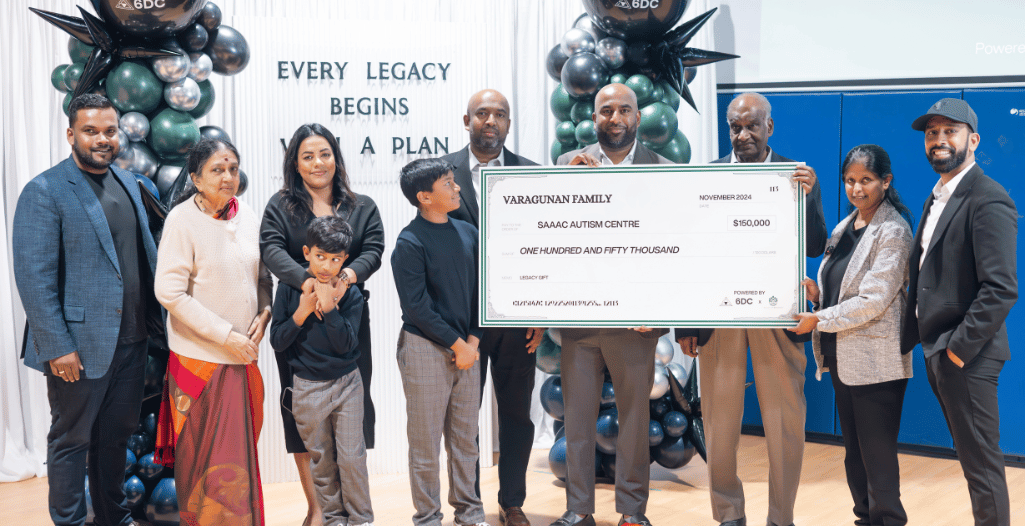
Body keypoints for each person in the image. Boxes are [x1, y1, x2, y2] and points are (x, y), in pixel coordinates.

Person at [675, 92, 827, 526]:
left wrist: (811, 197)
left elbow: (815, 244)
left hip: (776, 317)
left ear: (769, 128)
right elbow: (690, 253)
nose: (742, 134)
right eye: (734, 126)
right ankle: (728, 515)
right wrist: (684, 324)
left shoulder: (795, 177)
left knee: (784, 423)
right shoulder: (707, 178)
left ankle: (782, 517)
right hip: (719, 318)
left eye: (751, 126)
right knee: (720, 426)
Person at [13, 93, 157, 526]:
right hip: (77, 347)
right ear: (72, 133)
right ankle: (71, 522)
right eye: (91, 131)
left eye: (109, 131)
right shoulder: (45, 190)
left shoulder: (131, 183)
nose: (102, 139)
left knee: (114, 439)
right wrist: (57, 346)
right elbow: (33, 278)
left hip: (132, 343)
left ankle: (113, 517)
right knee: (71, 440)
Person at [551, 83, 672, 526]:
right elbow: (549, 234)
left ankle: (632, 512)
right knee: (577, 422)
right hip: (580, 317)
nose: (615, 118)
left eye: (624, 110)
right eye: (606, 111)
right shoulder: (567, 165)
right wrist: (563, 191)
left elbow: (674, 245)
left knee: (635, 422)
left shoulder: (662, 169)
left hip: (635, 322)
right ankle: (578, 509)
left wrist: (660, 310)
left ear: (637, 118)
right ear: (594, 118)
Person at [261, 123, 384, 526]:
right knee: (304, 420)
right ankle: (318, 508)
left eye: (325, 153)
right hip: (296, 321)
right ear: (295, 163)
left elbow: (374, 250)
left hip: (345, 319)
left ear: (337, 157)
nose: (318, 163)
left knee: (351, 419)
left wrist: (343, 281)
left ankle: (356, 513)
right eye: (308, 156)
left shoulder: (361, 205)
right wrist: (309, 284)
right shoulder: (281, 205)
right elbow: (271, 248)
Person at [901, 98, 1017, 526]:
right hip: (942, 351)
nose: (939, 140)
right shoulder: (939, 197)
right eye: (932, 133)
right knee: (973, 463)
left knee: (983, 468)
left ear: (974, 139)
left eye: (950, 131)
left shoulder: (987, 199)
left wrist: (956, 352)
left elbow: (1001, 289)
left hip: (967, 357)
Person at [788, 144, 914, 526]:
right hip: (842, 356)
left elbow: (872, 301)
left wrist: (819, 318)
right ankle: (864, 517)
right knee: (854, 453)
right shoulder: (847, 226)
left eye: (866, 180)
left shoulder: (893, 230)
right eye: (850, 181)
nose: (857, 189)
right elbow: (841, 285)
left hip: (877, 362)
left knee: (877, 453)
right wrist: (817, 294)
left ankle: (888, 519)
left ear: (886, 182)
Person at [153, 138, 273, 526]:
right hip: (200, 363)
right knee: (206, 462)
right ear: (196, 178)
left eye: (233, 169)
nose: (227, 177)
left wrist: (265, 309)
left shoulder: (248, 215)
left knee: (238, 461)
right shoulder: (182, 220)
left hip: (242, 358)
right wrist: (225, 335)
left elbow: (261, 274)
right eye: (217, 170)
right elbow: (168, 292)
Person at [440, 89, 543, 526]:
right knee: (464, 419)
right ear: (466, 121)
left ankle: (513, 501)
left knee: (517, 414)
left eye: (500, 114)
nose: (491, 121)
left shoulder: (532, 175)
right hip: (463, 323)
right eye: (482, 113)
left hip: (517, 322)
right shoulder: (443, 174)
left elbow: (544, 249)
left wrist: (539, 314)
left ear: (508, 124)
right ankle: (469, 504)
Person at [391, 158, 490, 526]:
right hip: (425, 348)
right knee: (426, 443)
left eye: (453, 181)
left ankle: (470, 513)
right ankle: (428, 517)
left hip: (469, 347)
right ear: (424, 197)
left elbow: (484, 291)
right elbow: (416, 307)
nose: (457, 188)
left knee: (466, 440)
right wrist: (457, 344)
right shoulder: (409, 241)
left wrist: (474, 341)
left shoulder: (469, 233)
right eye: (448, 184)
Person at [270, 216, 374, 526]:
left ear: (345, 260)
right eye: (320, 257)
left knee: (352, 457)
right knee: (322, 461)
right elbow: (277, 340)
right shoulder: (289, 290)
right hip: (306, 389)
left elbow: (346, 345)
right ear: (306, 253)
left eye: (335, 259)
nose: (326, 266)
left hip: (347, 384)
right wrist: (301, 313)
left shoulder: (351, 295)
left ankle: (361, 519)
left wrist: (329, 308)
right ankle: (333, 519)